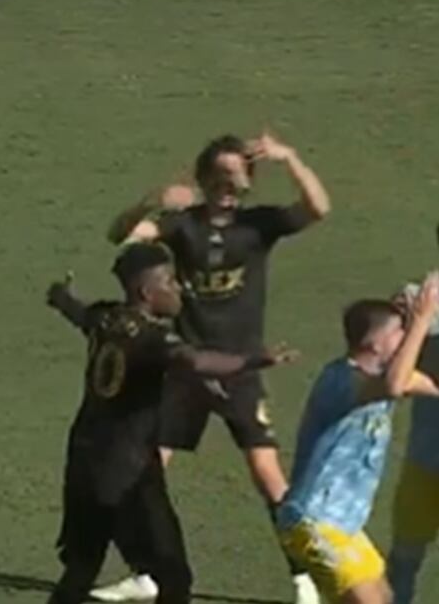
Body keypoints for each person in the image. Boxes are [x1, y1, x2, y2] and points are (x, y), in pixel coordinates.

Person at [97, 131, 330, 603]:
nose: (228, 183)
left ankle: (305, 577)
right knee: (145, 473)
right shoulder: (182, 226)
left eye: (236, 174)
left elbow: (318, 208)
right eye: (219, 174)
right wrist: (152, 201)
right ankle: (148, 572)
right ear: (203, 178)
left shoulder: (259, 226)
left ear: (248, 180)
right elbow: (118, 234)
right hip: (184, 368)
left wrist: (291, 158)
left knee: (268, 475)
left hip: (240, 370)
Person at [45, 242, 298, 604]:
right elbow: (194, 362)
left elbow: (78, 312)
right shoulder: (153, 338)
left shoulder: (107, 318)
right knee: (174, 577)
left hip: (84, 461)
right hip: (129, 471)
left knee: (82, 568)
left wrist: (60, 296)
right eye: (170, 281)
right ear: (147, 293)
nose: (180, 287)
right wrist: (255, 361)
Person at [277, 272, 439, 604]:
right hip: (316, 521)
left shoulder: (377, 374)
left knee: (385, 597)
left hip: (344, 527)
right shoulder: (343, 380)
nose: (407, 338)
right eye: (399, 333)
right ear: (375, 344)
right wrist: (422, 320)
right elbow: (396, 385)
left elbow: (425, 384)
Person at [387, 231, 439, 604]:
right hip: (426, 459)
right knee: (404, 559)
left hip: (424, 458)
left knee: (404, 559)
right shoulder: (424, 299)